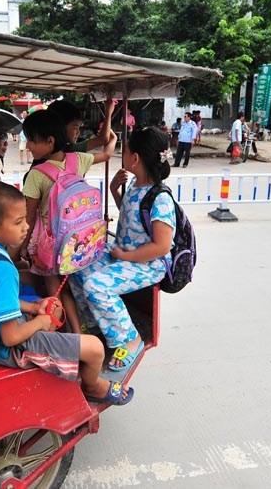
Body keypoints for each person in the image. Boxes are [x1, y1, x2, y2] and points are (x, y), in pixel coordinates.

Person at [0, 181, 133, 405]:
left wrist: (32, 307)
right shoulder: (1, 270)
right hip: (6, 348)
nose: (26, 226)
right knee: (95, 349)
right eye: (18, 222)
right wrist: (40, 321)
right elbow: (10, 337)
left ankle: (66, 358)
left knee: (51, 312)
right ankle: (93, 386)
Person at [69, 127, 175, 373]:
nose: (122, 155)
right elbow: (131, 214)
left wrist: (126, 256)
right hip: (124, 253)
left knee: (97, 285)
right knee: (78, 265)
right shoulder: (135, 186)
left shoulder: (160, 198)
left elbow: (161, 246)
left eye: (124, 152)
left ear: (135, 159)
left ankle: (128, 339)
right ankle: (96, 324)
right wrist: (115, 192)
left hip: (149, 263)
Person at [20, 110, 118, 333]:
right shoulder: (78, 159)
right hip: (78, 241)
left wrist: (23, 247)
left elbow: (30, 215)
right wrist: (112, 140)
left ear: (50, 141)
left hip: (50, 246)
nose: (28, 146)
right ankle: (78, 329)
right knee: (72, 285)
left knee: (56, 291)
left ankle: (63, 334)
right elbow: (106, 155)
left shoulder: (37, 174)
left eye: (31, 141)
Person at [46, 98, 115, 154]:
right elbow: (103, 141)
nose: (78, 132)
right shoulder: (68, 149)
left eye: (79, 127)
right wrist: (108, 112)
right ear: (60, 127)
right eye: (75, 127)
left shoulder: (45, 148)